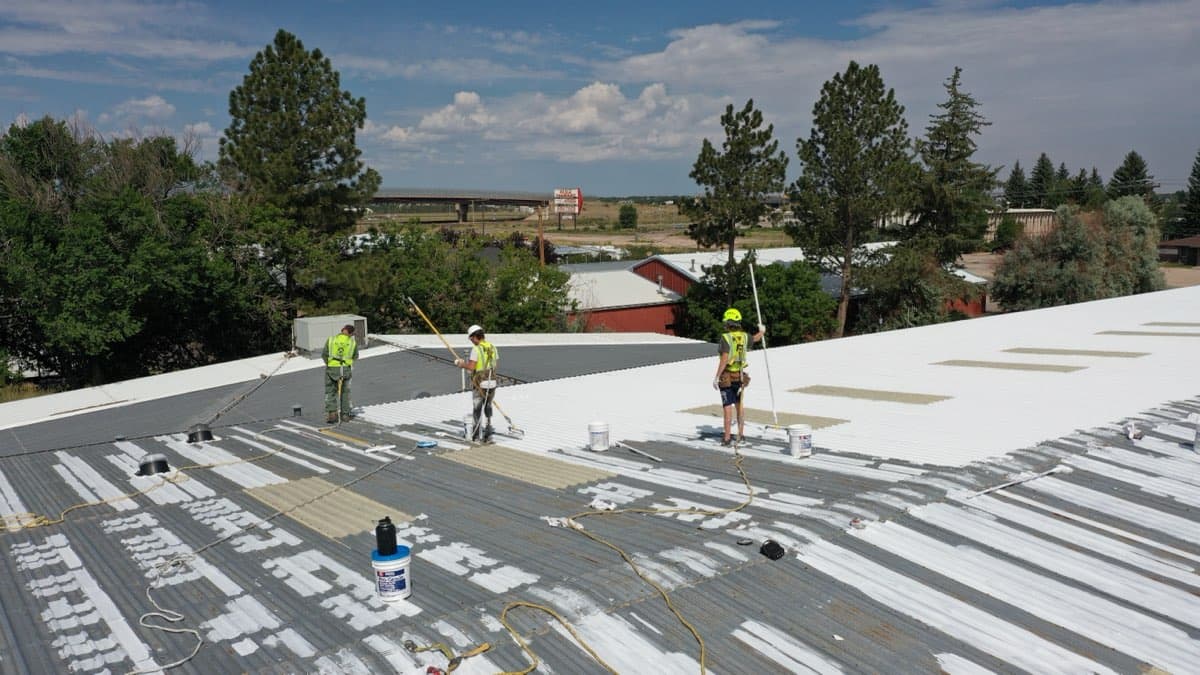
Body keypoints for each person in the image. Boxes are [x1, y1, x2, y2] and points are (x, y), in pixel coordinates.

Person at [712, 308, 764, 446]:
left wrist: (717, 377)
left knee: (727, 407)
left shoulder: (726, 338)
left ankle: (727, 438)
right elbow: (756, 338)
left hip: (727, 377)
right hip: (740, 377)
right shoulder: (745, 336)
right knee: (739, 406)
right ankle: (741, 435)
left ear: (728, 323)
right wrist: (762, 331)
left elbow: (724, 359)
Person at [454, 324, 499, 443]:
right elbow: (495, 365)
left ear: (474, 337)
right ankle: (488, 435)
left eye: (471, 338)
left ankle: (476, 436)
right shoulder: (493, 347)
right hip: (492, 382)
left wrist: (460, 364)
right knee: (488, 407)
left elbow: (471, 367)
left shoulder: (476, 349)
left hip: (479, 383)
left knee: (477, 409)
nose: (471, 341)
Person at [323, 324, 358, 424]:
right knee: (345, 393)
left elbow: (324, 354)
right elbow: (355, 356)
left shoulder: (331, 340)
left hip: (332, 370)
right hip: (345, 370)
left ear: (342, 330)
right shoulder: (352, 343)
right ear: (351, 334)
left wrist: (330, 364)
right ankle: (345, 415)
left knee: (330, 391)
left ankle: (332, 415)